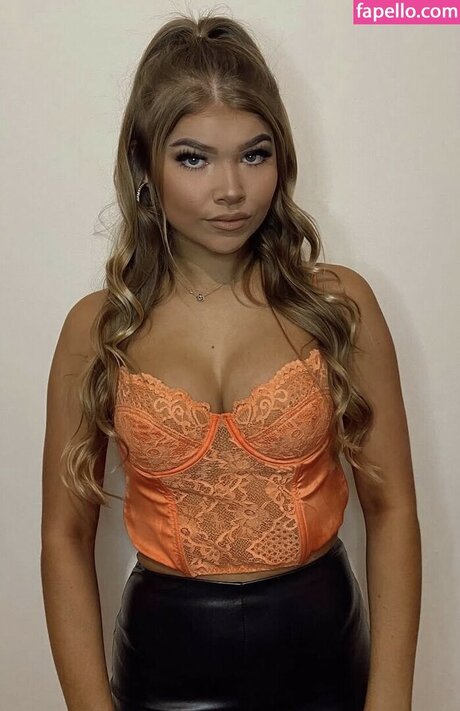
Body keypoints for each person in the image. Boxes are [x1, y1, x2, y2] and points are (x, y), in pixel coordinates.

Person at [40, 10, 421, 711]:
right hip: (164, 664)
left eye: (254, 154)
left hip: (324, 655)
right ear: (144, 166)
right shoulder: (99, 329)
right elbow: (65, 537)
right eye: (194, 158)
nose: (231, 189)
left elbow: (392, 507)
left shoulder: (338, 306)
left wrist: (391, 697)